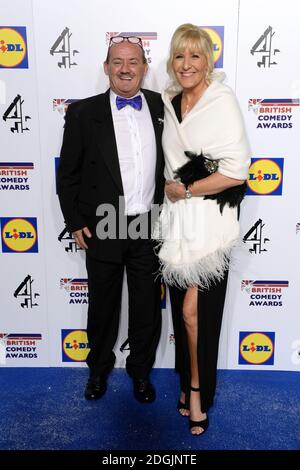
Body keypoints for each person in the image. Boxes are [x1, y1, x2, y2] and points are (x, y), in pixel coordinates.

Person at [153, 24, 250, 435]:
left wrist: (187, 188)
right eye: (180, 56)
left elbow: (236, 171)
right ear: (172, 62)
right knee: (181, 312)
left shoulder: (221, 100)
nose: (187, 64)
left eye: (195, 56)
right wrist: (173, 192)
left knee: (196, 314)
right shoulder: (169, 100)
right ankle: (185, 383)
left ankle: (198, 390)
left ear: (208, 60)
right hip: (178, 223)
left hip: (211, 221)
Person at [58, 36, 164, 404]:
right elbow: (67, 173)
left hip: (149, 224)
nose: (125, 69)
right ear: (106, 67)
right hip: (104, 224)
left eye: (132, 61)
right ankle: (98, 371)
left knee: (146, 306)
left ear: (144, 68)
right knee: (102, 306)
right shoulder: (83, 113)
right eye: (117, 61)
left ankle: (140, 374)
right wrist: (74, 221)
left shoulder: (162, 106)